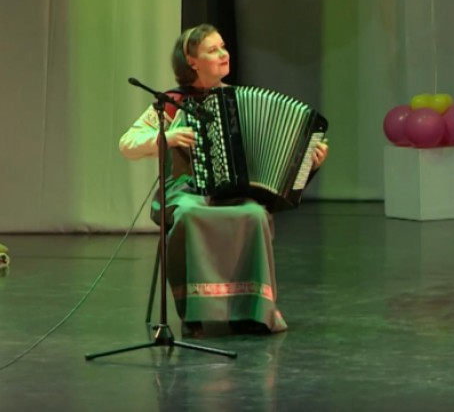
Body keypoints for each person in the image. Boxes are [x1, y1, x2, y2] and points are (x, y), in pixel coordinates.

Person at [119, 24, 329, 337]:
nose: (223, 54)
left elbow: (275, 160)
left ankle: (250, 312)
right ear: (192, 61)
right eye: (213, 50)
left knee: (255, 214)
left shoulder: (236, 100)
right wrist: (167, 137)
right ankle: (195, 313)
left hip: (230, 192)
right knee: (190, 215)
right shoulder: (172, 103)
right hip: (183, 192)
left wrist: (308, 161)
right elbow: (128, 144)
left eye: (223, 47)